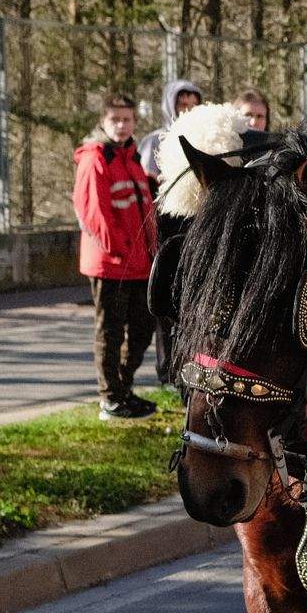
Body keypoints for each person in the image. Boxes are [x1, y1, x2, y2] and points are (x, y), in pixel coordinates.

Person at [72, 93, 158, 418]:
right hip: (111, 264)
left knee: (141, 330)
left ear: (135, 122)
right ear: (103, 122)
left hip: (139, 264)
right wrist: (120, 251)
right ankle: (110, 398)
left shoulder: (133, 158)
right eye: (115, 120)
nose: (121, 126)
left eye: (127, 120)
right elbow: (94, 213)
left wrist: (148, 253)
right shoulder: (97, 158)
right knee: (110, 332)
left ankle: (123, 389)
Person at [138, 80, 203, 385]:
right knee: (165, 302)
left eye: (192, 102)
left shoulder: (205, 137)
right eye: (182, 103)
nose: (187, 108)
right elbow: (148, 187)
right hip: (166, 226)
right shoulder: (156, 140)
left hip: (196, 226)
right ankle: (167, 369)